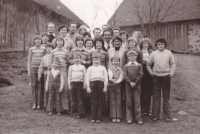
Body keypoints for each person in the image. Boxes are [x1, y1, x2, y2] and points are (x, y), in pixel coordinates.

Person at [146, 37, 176, 122]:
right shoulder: (154, 54)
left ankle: (167, 116)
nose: (160, 46)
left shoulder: (169, 53)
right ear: (156, 45)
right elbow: (148, 64)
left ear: (165, 45)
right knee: (156, 96)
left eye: (162, 44)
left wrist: (171, 73)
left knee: (166, 97)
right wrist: (151, 73)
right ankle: (155, 115)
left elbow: (173, 64)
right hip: (156, 77)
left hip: (166, 77)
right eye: (158, 44)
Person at [86, 53, 108, 123]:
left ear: (100, 60)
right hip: (93, 84)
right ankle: (93, 117)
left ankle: (99, 117)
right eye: (94, 60)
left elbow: (106, 78)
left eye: (97, 60)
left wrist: (105, 87)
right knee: (93, 101)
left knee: (100, 101)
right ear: (92, 60)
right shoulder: (90, 68)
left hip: (101, 84)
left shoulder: (103, 68)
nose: (96, 61)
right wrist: (88, 87)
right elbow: (87, 78)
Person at [50, 35, 70, 112]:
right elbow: (51, 62)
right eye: (58, 41)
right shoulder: (53, 51)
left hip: (63, 70)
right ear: (56, 42)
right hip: (55, 71)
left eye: (61, 41)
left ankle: (65, 107)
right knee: (56, 88)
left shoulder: (66, 51)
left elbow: (68, 61)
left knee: (64, 88)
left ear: (63, 42)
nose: (59, 42)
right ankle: (56, 107)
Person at [123, 51, 143, 125]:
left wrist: (136, 82)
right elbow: (125, 75)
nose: (132, 57)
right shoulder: (126, 66)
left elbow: (140, 74)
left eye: (134, 56)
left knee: (137, 101)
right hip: (128, 84)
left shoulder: (139, 65)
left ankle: (138, 118)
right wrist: (130, 82)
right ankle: (129, 118)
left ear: (136, 56)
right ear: (128, 57)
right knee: (128, 101)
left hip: (136, 84)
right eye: (130, 56)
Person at [27, 35, 45, 110]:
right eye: (36, 40)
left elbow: (44, 59)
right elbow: (29, 60)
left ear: (41, 41)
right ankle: (34, 102)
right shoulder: (31, 49)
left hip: (40, 69)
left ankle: (39, 103)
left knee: (40, 86)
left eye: (39, 40)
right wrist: (28, 70)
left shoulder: (43, 49)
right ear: (34, 41)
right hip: (33, 68)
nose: (37, 41)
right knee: (34, 85)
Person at [68, 52, 86, 119]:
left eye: (78, 58)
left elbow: (85, 76)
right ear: (73, 59)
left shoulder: (83, 67)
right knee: (73, 99)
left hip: (80, 83)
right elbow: (69, 76)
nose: (77, 59)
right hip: (73, 83)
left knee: (79, 99)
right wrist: (69, 84)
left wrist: (84, 84)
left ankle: (80, 113)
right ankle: (73, 113)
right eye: (75, 58)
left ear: (80, 59)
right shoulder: (71, 67)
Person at [139, 38, 153, 116]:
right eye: (144, 43)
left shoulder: (151, 52)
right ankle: (141, 109)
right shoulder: (139, 51)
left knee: (148, 91)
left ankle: (148, 109)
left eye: (147, 43)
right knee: (141, 91)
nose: (145, 45)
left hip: (149, 71)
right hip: (141, 70)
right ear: (141, 44)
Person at [38, 43, 54, 109]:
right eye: (47, 48)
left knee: (52, 89)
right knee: (46, 88)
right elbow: (41, 67)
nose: (48, 49)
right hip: (45, 73)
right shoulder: (43, 57)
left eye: (50, 48)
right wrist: (39, 74)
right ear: (45, 49)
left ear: (52, 49)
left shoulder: (54, 56)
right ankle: (46, 104)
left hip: (52, 74)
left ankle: (52, 104)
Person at [108, 56, 123, 123]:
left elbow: (121, 77)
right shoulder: (110, 69)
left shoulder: (120, 69)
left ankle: (118, 116)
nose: (115, 62)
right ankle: (113, 116)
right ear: (112, 62)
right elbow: (110, 76)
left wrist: (117, 81)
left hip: (118, 85)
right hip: (111, 85)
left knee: (118, 100)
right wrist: (113, 80)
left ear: (119, 62)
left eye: (117, 61)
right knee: (112, 100)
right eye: (114, 61)